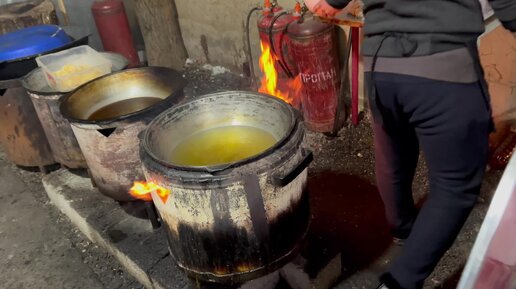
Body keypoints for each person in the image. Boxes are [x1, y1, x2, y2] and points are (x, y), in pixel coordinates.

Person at [303, 0, 516, 289]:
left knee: (393, 157)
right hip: (443, 65)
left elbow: (327, 3)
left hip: (381, 68)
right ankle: (399, 282)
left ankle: (403, 228)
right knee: (455, 187)